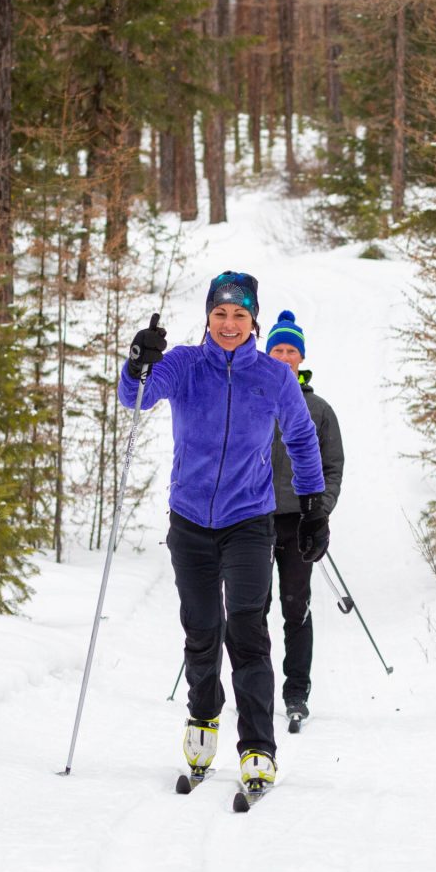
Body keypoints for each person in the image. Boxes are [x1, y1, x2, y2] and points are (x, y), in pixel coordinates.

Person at [122, 273, 330, 796]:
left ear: (253, 321)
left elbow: (303, 440)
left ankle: (258, 746)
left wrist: (312, 507)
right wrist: (138, 363)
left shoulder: (273, 376)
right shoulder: (186, 366)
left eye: (240, 316)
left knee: (247, 630)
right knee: (200, 629)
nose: (229, 324)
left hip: (249, 522)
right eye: (221, 314)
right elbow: (137, 398)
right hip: (189, 520)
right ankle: (203, 717)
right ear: (208, 318)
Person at [263, 310, 344, 731]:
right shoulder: (249, 399)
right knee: (248, 610)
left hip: (298, 522)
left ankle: (296, 693)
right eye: (277, 348)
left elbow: (333, 467)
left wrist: (320, 511)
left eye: (291, 350)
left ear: (301, 358)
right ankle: (252, 690)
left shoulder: (318, 409)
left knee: (296, 608)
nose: (283, 356)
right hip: (252, 521)